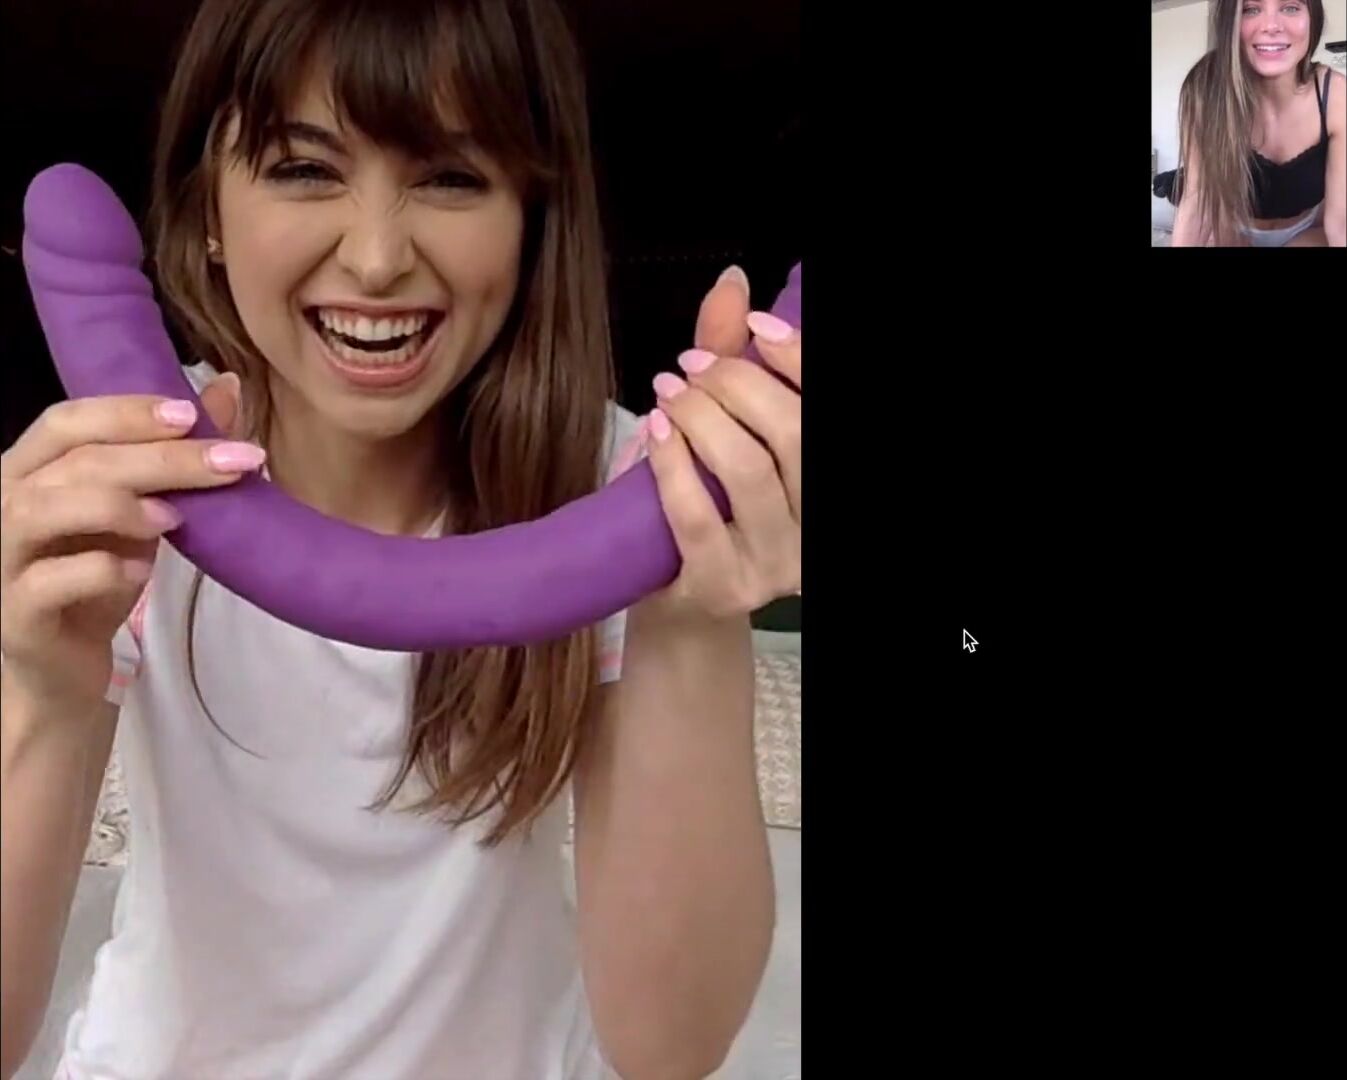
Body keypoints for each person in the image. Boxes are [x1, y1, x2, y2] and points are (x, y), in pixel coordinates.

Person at [0, 1, 802, 1077]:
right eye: (303, 169)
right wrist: (42, 689)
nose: (377, 259)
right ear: (207, 214)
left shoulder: (624, 486)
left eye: (452, 177)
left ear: (530, 221)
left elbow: (670, 1047)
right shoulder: (130, 473)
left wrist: (693, 625)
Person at [1170, 0, 1345, 247]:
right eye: (1251, 9)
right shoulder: (1205, 88)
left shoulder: (1336, 94)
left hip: (1308, 232)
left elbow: (1340, 224)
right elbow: (1197, 199)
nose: (1271, 26)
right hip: (1232, 230)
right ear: (1230, 23)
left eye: (1290, 7)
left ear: (1313, 18)